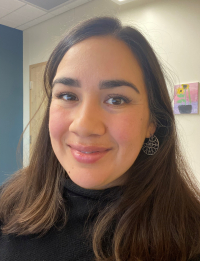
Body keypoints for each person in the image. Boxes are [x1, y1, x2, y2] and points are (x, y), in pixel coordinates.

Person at [0, 16, 200, 261]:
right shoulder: (9, 203)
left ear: (152, 121)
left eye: (116, 99)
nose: (84, 126)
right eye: (67, 95)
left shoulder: (191, 237)